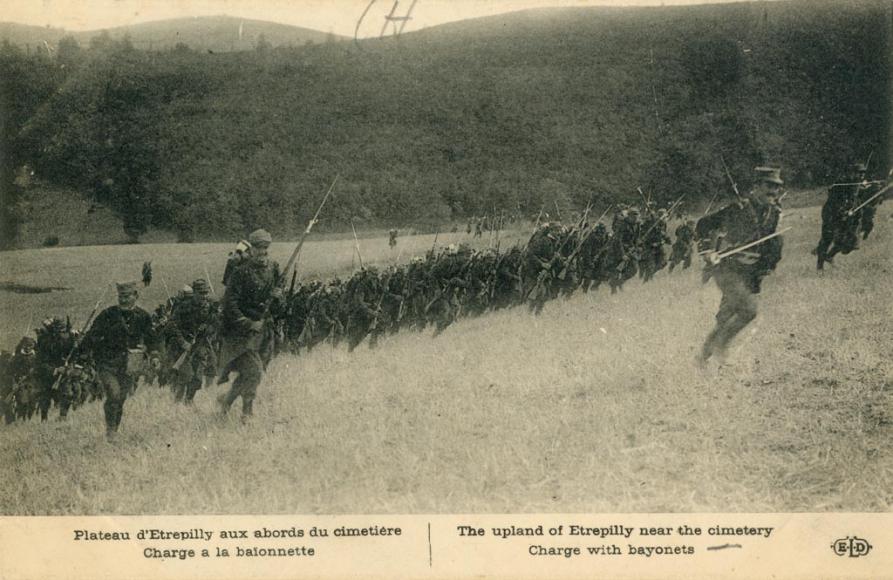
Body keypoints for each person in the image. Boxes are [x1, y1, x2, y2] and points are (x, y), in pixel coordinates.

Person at [696, 166, 784, 364]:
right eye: (769, 186)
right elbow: (703, 225)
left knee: (726, 319)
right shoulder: (738, 208)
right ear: (756, 187)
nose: (774, 191)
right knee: (749, 309)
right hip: (728, 268)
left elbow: (773, 244)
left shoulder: (775, 213)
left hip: (751, 274)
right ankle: (721, 348)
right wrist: (708, 251)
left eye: (777, 187)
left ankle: (701, 359)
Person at [79, 281, 160, 440]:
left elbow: (152, 339)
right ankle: (110, 430)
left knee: (121, 398)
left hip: (130, 364)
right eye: (121, 296)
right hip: (107, 363)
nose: (123, 299)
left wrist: (155, 355)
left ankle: (114, 428)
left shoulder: (143, 316)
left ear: (135, 296)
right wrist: (82, 351)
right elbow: (92, 335)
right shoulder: (108, 314)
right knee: (114, 394)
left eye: (127, 296)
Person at [217, 229, 283, 422]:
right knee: (254, 371)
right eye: (258, 248)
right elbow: (229, 304)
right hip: (239, 332)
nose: (262, 251)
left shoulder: (274, 268)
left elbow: (278, 306)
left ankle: (226, 401)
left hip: (263, 331)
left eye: (266, 248)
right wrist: (247, 323)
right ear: (251, 249)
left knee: (250, 372)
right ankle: (247, 412)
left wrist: (278, 297)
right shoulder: (240, 272)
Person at [166, 278, 219, 404]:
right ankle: (176, 403)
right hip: (182, 346)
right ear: (194, 292)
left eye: (206, 293)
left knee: (197, 379)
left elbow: (216, 324)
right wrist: (183, 342)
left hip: (200, 345)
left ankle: (188, 400)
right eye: (201, 293)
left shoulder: (209, 307)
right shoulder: (183, 307)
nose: (204, 296)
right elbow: (171, 325)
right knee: (186, 375)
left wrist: (208, 328)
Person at [814, 163, 864, 270]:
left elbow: (856, 199)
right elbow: (833, 201)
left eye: (862, 173)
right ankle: (819, 266)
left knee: (849, 239)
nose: (861, 176)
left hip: (849, 215)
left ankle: (829, 256)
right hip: (832, 214)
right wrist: (842, 212)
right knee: (827, 238)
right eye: (859, 173)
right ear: (852, 173)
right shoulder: (841, 183)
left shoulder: (858, 185)